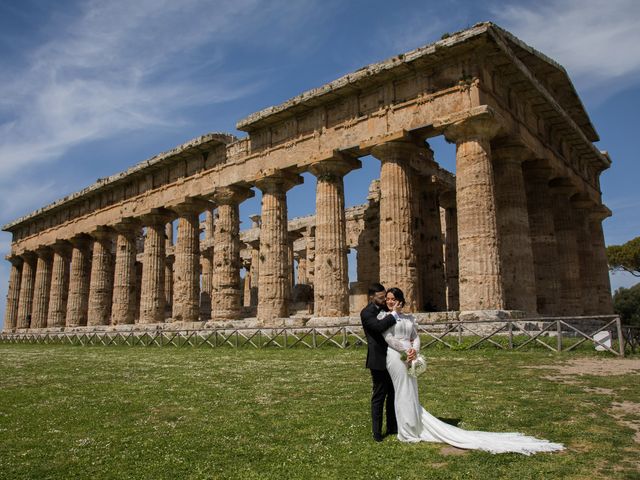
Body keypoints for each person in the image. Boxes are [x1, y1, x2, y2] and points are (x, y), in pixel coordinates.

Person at [382, 287, 565, 455]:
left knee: (411, 391)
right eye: (388, 299)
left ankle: (412, 426)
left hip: (411, 356)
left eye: (393, 298)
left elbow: (415, 336)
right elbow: (388, 337)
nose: (390, 301)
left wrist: (415, 350)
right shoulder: (384, 317)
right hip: (396, 356)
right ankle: (406, 429)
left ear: (400, 300)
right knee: (401, 391)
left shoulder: (409, 318)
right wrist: (406, 349)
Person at [360, 283, 405, 442]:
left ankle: (392, 426)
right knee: (379, 396)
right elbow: (379, 327)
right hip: (378, 359)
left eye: (384, 297)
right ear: (372, 297)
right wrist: (393, 315)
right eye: (381, 298)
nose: (384, 300)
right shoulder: (366, 313)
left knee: (393, 394)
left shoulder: (387, 309)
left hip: (393, 357)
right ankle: (377, 432)